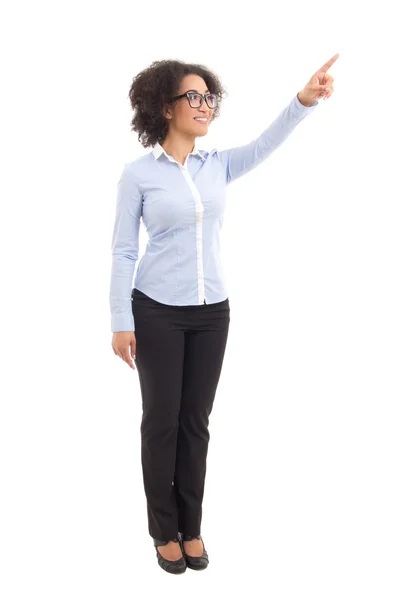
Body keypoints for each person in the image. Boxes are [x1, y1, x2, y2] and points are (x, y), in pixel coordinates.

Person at [109, 55, 339, 575]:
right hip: (156, 311)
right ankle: (162, 529)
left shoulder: (218, 166)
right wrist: (120, 319)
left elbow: (264, 144)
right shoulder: (138, 175)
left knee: (196, 422)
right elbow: (124, 251)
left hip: (212, 311)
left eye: (209, 97)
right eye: (194, 97)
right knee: (161, 423)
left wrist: (303, 99)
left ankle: (192, 526)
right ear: (165, 107)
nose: (204, 105)